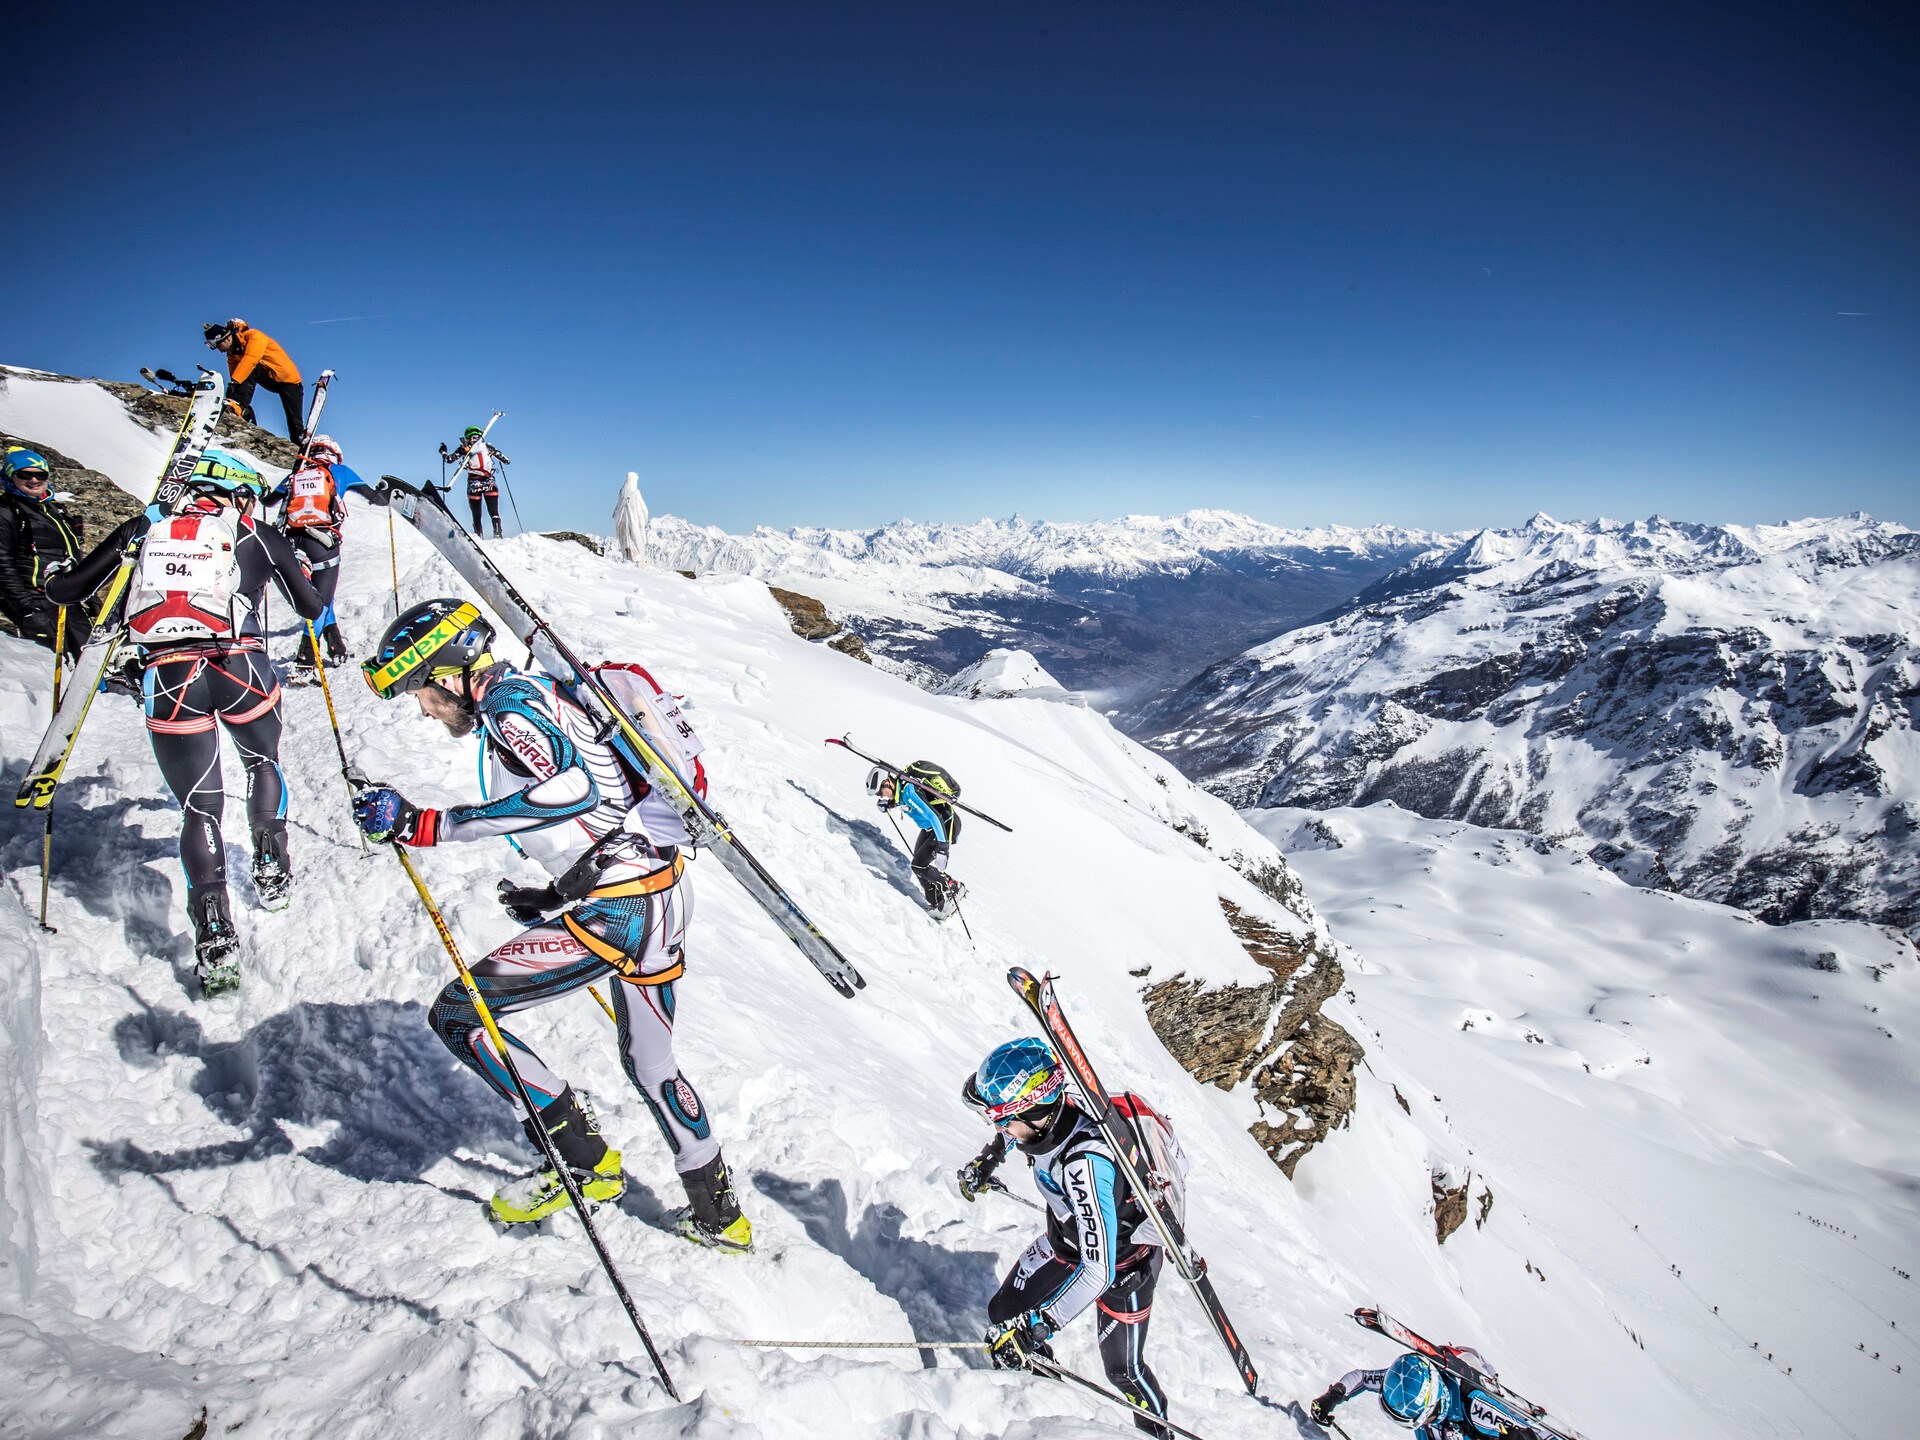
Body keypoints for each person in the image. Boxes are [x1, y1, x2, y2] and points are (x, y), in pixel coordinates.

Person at [351, 599, 751, 1247]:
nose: (423, 709)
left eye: (421, 691)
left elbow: (572, 791)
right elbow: (604, 803)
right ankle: (720, 1214)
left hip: (619, 911)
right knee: (652, 1062)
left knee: (460, 1015)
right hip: (661, 894)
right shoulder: (544, 693)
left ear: (449, 672)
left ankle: (583, 1161)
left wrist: (424, 824)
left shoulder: (510, 707)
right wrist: (558, 892)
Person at [46, 449, 325, 993]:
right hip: (242, 666)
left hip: (170, 678)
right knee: (262, 762)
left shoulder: (145, 528)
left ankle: (215, 933)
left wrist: (56, 573)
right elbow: (311, 607)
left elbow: (66, 591)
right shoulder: (256, 533)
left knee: (199, 807)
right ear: (239, 494)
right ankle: (272, 866)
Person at [958, 1037, 1173, 1438]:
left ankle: (1160, 1434)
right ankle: (1043, 1396)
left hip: (1123, 1268)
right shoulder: (1053, 1114)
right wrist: (990, 1157)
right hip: (1066, 1243)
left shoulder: (1084, 1166)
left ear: (1032, 1113)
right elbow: (1013, 1130)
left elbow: (1098, 1271)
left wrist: (1037, 1328)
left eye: (1001, 1118)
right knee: (1003, 1313)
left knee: (1124, 1371)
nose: (998, 1126)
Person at [266, 434, 359, 674]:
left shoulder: (296, 473)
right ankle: (306, 657)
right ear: (335, 454)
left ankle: (336, 645)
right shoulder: (340, 471)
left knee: (321, 595)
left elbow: (268, 502)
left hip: (291, 543)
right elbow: (375, 498)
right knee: (321, 601)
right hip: (323, 543)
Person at [1311, 1349, 1556, 1437]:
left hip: (1474, 1410)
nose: (1421, 1424)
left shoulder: (1476, 1407)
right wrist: (1332, 1396)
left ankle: (1468, 1361)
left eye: (1421, 1418)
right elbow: (1363, 1378)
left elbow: (1537, 1434)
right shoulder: (1403, 1381)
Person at [0, 447, 86, 661]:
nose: (34, 480)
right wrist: (26, 608)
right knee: (54, 664)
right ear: (10, 477)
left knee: (90, 658)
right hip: (35, 599)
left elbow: (70, 553)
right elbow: (2, 563)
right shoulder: (7, 511)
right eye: (25, 474)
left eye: (40, 475)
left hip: (65, 597)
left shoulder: (52, 509)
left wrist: (88, 591)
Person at [871, 760, 965, 918]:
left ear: (887, 782)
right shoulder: (901, 790)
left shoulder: (909, 792)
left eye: (880, 792)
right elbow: (906, 803)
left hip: (944, 826)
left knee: (918, 866)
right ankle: (938, 904)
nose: (881, 796)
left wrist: (943, 848)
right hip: (930, 829)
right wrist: (889, 805)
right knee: (918, 865)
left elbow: (934, 816)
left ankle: (954, 888)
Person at [203, 320, 306, 444]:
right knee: (239, 382)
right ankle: (242, 410)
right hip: (270, 379)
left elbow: (251, 358)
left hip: (289, 381)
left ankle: (300, 444)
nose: (219, 350)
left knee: (295, 423)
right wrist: (230, 397)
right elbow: (235, 379)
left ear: (227, 338)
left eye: (218, 346)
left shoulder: (254, 336)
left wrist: (235, 385)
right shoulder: (232, 354)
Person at [441, 425, 509, 538]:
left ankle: (478, 537)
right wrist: (494, 452)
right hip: (489, 482)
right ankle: (498, 534)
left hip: (473, 484)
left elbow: (449, 460)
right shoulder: (487, 447)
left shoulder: (464, 448)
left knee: (476, 515)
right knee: (494, 513)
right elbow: (506, 460)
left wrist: (443, 452)